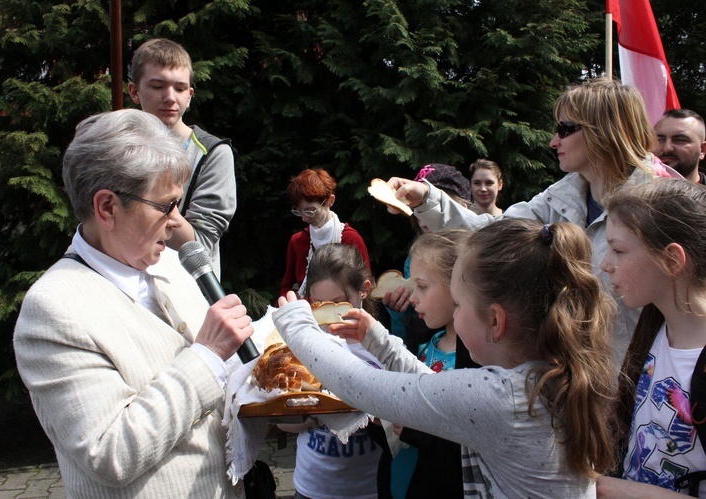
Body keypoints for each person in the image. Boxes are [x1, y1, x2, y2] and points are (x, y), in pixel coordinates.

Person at [273, 218, 617, 497]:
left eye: (460, 302)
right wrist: (377, 340)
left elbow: (363, 385)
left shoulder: (502, 400)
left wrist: (297, 327)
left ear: (495, 321)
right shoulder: (544, 376)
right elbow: (432, 386)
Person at [13, 109, 253, 498]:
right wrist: (207, 356)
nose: (177, 222)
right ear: (107, 207)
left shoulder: (174, 266)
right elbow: (110, 452)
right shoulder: (53, 309)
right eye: (166, 206)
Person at [384, 78, 676, 368]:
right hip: (579, 382)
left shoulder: (664, 203)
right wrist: (425, 198)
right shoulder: (561, 195)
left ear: (605, 131)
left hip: (647, 386)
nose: (553, 141)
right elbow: (491, 233)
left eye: (565, 129)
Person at [597, 179, 706, 498]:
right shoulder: (652, 323)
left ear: (672, 260)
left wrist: (612, 490)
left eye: (618, 250)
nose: (605, 265)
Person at [278, 243, 383, 499]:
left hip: (365, 489)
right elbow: (281, 421)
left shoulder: (383, 346)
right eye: (318, 303)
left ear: (365, 290)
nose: (328, 313)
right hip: (311, 486)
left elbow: (400, 423)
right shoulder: (303, 344)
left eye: (339, 302)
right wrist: (308, 418)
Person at [128, 38, 236, 278]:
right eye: (157, 86)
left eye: (179, 88)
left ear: (190, 95)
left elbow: (202, 246)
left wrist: (147, 200)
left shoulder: (212, 154)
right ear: (134, 91)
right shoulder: (117, 148)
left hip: (187, 293)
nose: (170, 97)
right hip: (125, 286)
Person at [386, 229, 478, 499]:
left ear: (457, 286)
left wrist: (416, 430)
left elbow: (465, 438)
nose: (413, 297)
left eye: (422, 286)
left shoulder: (474, 361)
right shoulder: (430, 343)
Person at [383, 163, 472, 352]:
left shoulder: (477, 264)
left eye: (430, 205)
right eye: (416, 207)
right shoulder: (415, 260)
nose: (422, 220)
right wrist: (399, 315)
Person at [279, 168, 370, 299]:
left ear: (330, 201)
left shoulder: (350, 239)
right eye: (299, 211)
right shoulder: (297, 241)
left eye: (310, 211)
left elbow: (365, 287)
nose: (304, 218)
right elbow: (286, 287)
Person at [653, 108, 706, 184]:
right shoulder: (633, 191)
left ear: (702, 149)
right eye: (659, 140)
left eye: (680, 140)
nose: (667, 148)